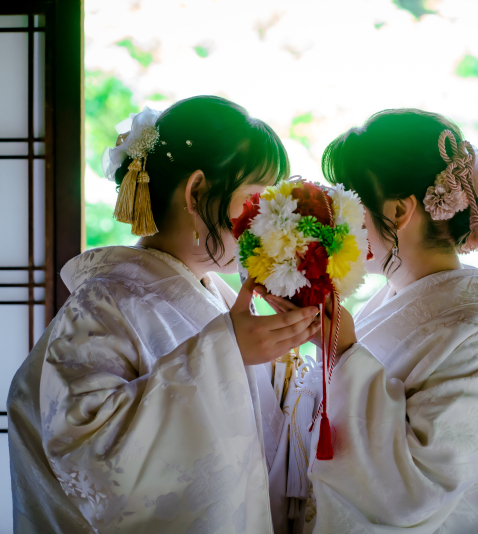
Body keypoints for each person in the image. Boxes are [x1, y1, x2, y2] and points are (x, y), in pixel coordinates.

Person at [7, 95, 321, 533]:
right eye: (254, 201)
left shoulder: (213, 292)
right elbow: (89, 447)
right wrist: (226, 351)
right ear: (195, 192)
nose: (264, 222)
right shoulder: (105, 303)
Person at [268, 109, 478, 533]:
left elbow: (410, 494)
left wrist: (342, 353)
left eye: (348, 204)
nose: (337, 222)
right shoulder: (391, 304)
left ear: (398, 210)